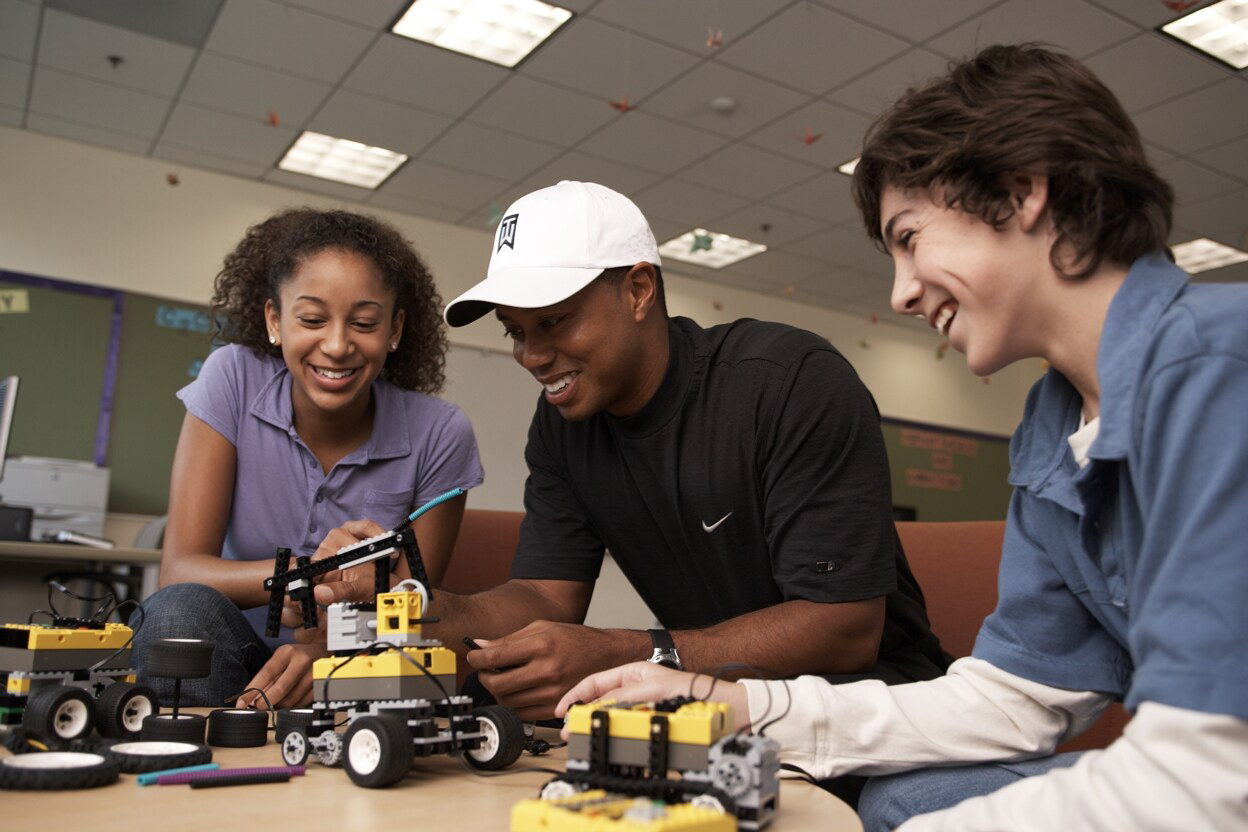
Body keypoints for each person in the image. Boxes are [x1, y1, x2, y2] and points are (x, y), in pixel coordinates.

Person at [556, 45, 1248, 831]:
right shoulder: (1052, 430)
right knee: (903, 795)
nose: (902, 291)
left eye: (911, 237)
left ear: (1022, 192)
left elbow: (1212, 775)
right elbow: (1014, 698)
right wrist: (739, 704)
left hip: (1217, 772)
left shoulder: (1219, 367)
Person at [305, 180, 949, 732]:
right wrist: (421, 604)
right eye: (516, 332)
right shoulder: (563, 427)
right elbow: (545, 597)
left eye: (553, 322)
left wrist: (628, 654)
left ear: (639, 290)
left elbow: (844, 628)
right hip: (706, 703)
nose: (531, 356)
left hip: (868, 704)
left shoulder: (789, 382)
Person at [134, 208, 483, 708]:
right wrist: (302, 576)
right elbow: (181, 570)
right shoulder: (232, 378)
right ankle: (193, 766)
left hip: (357, 663)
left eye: (363, 323)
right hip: (229, 649)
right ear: (275, 320)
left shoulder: (440, 433)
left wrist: (328, 653)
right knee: (175, 612)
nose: (337, 345)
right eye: (313, 319)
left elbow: (413, 605)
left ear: (395, 329)